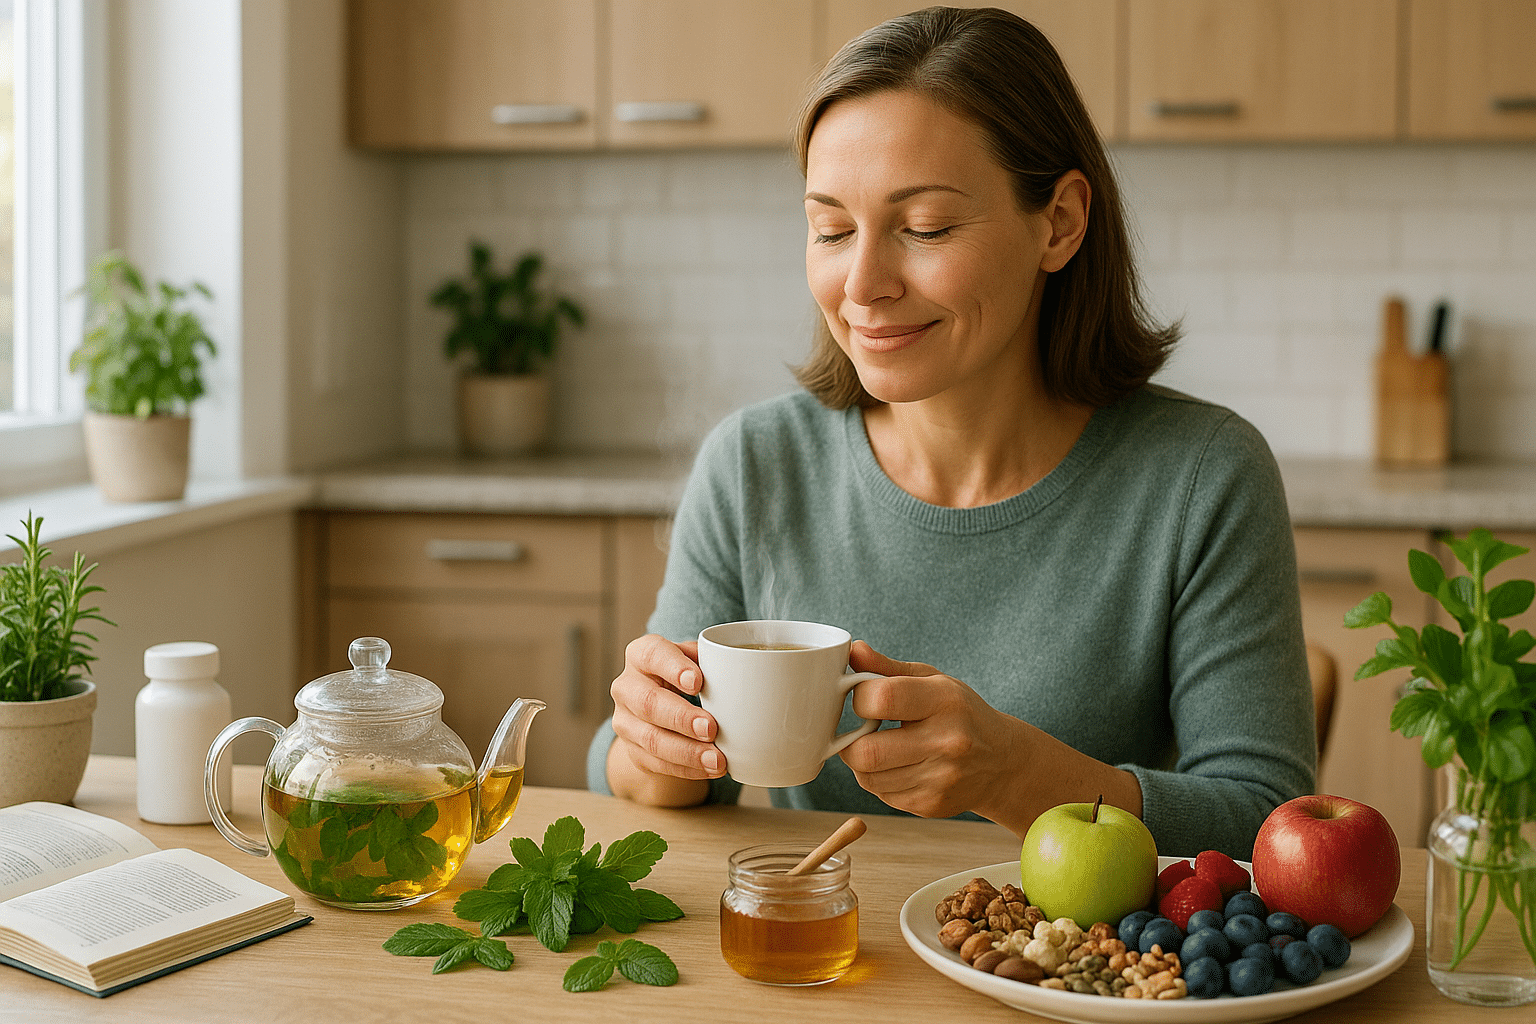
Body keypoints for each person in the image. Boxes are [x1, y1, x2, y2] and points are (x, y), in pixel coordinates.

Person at [585, 6, 1314, 859]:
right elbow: (619, 777)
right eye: (831, 229)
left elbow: (1268, 820)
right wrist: (654, 744)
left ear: (1061, 222)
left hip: (1074, 975)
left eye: (924, 228)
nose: (861, 285)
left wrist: (1015, 775)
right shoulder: (754, 464)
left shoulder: (1202, 476)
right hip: (821, 961)